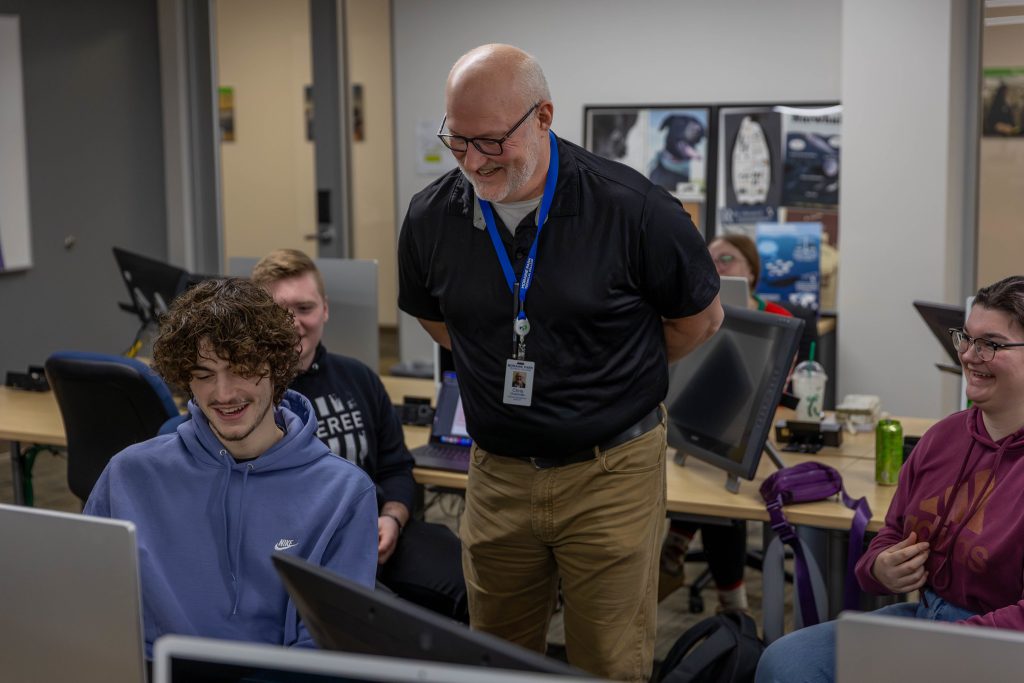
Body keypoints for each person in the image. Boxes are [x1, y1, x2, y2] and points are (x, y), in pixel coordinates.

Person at [397, 43, 723, 681]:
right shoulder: (431, 216)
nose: (473, 161)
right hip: (496, 472)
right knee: (495, 654)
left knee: (607, 659)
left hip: (610, 472)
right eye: (457, 141)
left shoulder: (635, 208)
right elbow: (439, 320)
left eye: (491, 142)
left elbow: (700, 320)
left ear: (543, 116)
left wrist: (607, 373)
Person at [85, 277, 379, 655]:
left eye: (241, 369)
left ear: (276, 367)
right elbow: (88, 608)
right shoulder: (127, 476)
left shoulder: (343, 494)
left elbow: (325, 652)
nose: (223, 394)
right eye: (204, 375)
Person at [756, 275, 1024, 682]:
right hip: (926, 616)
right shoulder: (943, 437)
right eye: (965, 338)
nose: (968, 356)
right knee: (786, 662)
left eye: (990, 344)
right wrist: (880, 567)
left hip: (1002, 646)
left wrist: (939, 649)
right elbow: (892, 533)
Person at [251, 248, 468, 622]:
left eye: (305, 308)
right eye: (278, 312)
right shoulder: (249, 395)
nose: (293, 323)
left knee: (473, 581)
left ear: (325, 310)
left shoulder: (359, 378)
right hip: (305, 551)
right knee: (391, 624)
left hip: (379, 534)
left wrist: (393, 518)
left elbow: (396, 466)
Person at [660, 233, 793, 611]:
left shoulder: (777, 319)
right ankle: (731, 603)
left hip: (758, 429)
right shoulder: (697, 313)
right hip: (702, 426)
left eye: (727, 260)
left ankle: (682, 539)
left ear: (751, 271)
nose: (717, 267)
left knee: (720, 492)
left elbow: (776, 387)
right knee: (710, 482)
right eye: (710, 259)